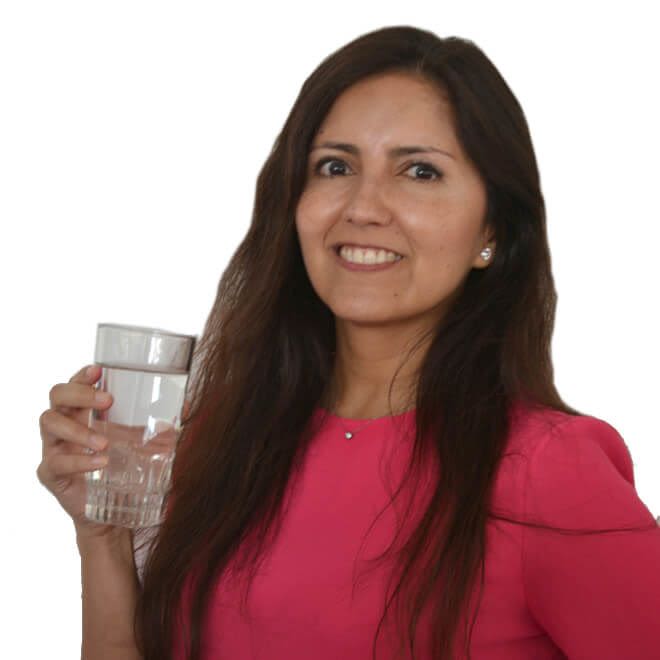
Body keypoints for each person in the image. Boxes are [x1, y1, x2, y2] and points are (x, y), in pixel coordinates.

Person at [37, 25, 660, 660]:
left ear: (491, 231)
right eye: (335, 166)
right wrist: (103, 537)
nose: (363, 207)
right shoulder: (224, 443)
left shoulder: (547, 471)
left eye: (419, 171)